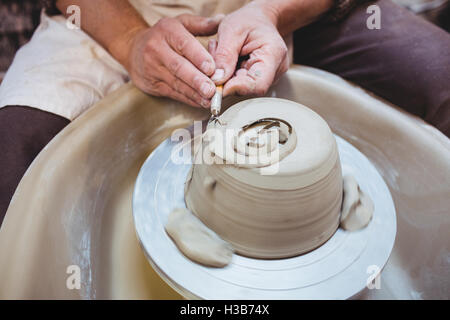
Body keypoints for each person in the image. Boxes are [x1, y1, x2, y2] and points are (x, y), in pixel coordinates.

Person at [0, 0, 449, 225]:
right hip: (117, 16)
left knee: (440, 77)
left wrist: (271, 12)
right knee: (10, 170)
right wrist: (130, 41)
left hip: (287, 9)